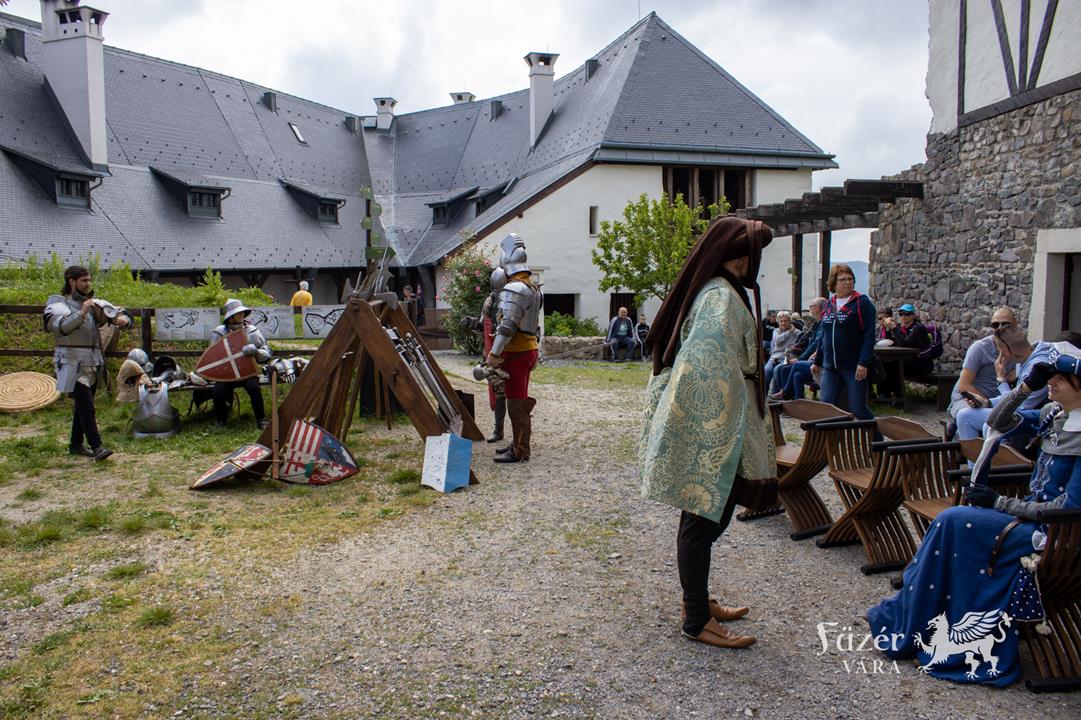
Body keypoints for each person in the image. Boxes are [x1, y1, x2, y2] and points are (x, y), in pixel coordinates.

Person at [866, 340, 1081, 686]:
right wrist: (1025, 387)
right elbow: (995, 422)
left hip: (1057, 537)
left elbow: (1068, 508)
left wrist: (999, 503)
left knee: (954, 520)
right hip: (1030, 521)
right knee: (952, 522)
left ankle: (934, 624)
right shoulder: (1054, 416)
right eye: (1049, 378)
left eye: (1060, 380)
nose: (1051, 384)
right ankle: (912, 612)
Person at [640, 217, 777, 650]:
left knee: (709, 512)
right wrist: (714, 432)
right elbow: (708, 363)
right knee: (703, 517)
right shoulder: (719, 296)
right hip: (714, 424)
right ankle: (697, 617)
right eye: (750, 253)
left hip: (726, 419)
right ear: (735, 255)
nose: (752, 262)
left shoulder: (723, 290)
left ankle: (695, 600)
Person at [44, 265, 132, 461]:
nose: (88, 284)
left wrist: (123, 319)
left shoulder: (92, 304)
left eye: (89, 280)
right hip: (69, 360)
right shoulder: (57, 305)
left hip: (92, 360)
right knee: (86, 406)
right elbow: (61, 328)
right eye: (84, 281)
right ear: (71, 281)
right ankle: (97, 446)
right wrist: (82, 313)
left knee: (83, 406)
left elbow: (117, 312)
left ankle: (76, 445)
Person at [487, 234, 542, 464]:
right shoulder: (532, 285)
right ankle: (517, 442)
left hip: (518, 352)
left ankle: (520, 450)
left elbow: (507, 326)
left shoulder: (515, 288)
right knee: (517, 400)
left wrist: (494, 353)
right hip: (527, 350)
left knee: (516, 403)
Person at [955, 323, 1052, 441]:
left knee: (980, 423)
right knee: (964, 415)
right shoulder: (1036, 350)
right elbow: (1015, 397)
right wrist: (988, 403)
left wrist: (1001, 380)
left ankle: (988, 459)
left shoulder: (1036, 369)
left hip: (1032, 417)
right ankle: (977, 459)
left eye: (999, 350)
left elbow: (1018, 406)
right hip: (1026, 409)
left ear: (1005, 351)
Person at [812, 264, 876, 420]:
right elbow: (824, 336)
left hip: (853, 366)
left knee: (858, 409)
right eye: (842, 280)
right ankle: (831, 442)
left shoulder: (862, 303)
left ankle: (877, 441)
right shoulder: (828, 304)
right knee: (826, 408)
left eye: (850, 279)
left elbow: (869, 335)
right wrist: (818, 361)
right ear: (834, 283)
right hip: (830, 367)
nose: (848, 282)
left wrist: (864, 362)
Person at [947, 307, 1018, 422]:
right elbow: (964, 385)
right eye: (995, 325)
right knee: (970, 416)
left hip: (998, 399)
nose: (1000, 328)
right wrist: (986, 403)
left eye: (1005, 324)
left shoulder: (1019, 348)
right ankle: (955, 429)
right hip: (968, 397)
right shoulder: (979, 348)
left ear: (1016, 324)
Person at [210, 299, 273, 429]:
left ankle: (261, 419)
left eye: (242, 313)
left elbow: (267, 352)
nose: (241, 315)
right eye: (238, 313)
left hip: (247, 372)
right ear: (230, 317)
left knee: (254, 388)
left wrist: (256, 351)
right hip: (227, 373)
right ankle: (221, 420)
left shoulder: (252, 330)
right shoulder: (220, 332)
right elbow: (212, 356)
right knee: (218, 391)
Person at [768, 297, 826, 401]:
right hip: (777, 357)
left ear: (817, 308)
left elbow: (815, 345)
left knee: (789, 367)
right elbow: (809, 345)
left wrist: (800, 359)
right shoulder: (818, 323)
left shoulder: (823, 323)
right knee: (794, 374)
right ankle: (797, 401)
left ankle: (785, 393)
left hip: (818, 363)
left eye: (811, 307)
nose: (810, 309)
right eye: (781, 321)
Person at [878, 303, 934, 399]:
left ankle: (899, 398)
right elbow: (890, 342)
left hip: (922, 364)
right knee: (885, 365)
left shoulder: (918, 328)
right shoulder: (903, 328)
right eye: (901, 314)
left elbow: (904, 344)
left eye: (906, 314)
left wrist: (894, 328)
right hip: (910, 361)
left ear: (913, 315)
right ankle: (885, 394)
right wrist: (888, 328)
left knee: (894, 368)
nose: (903, 316)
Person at [479, 268, 507, 443]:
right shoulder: (490, 300)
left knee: (512, 394)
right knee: (498, 390)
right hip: (493, 352)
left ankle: (518, 436)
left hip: (508, 350)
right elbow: (484, 325)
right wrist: (472, 323)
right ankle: (499, 430)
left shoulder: (512, 298)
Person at [763, 310, 798, 390]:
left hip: (786, 358)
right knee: (766, 371)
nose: (783, 323)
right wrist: (789, 332)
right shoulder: (776, 331)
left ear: (789, 321)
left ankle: (775, 394)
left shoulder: (796, 332)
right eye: (781, 321)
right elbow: (778, 341)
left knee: (777, 370)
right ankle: (763, 394)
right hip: (774, 357)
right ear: (778, 322)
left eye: (785, 321)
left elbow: (801, 338)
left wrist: (793, 332)